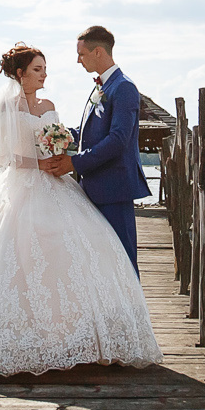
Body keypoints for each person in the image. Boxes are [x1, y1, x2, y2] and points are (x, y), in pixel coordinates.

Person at [0, 42, 160, 378]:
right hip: (22, 183)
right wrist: (41, 162)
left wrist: (63, 150)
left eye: (44, 68)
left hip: (57, 183)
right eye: (37, 69)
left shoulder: (52, 103)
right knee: (18, 255)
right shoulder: (6, 108)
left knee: (77, 254)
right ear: (20, 74)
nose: (44, 74)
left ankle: (90, 335)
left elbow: (68, 137)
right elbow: (7, 156)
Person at [43, 25, 150, 270]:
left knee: (122, 259)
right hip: (94, 186)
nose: (78, 60)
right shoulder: (101, 86)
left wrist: (75, 162)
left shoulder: (123, 87)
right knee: (101, 260)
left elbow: (118, 139)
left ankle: (132, 309)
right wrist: (58, 136)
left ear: (98, 52)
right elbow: (90, 132)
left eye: (81, 54)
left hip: (114, 188)